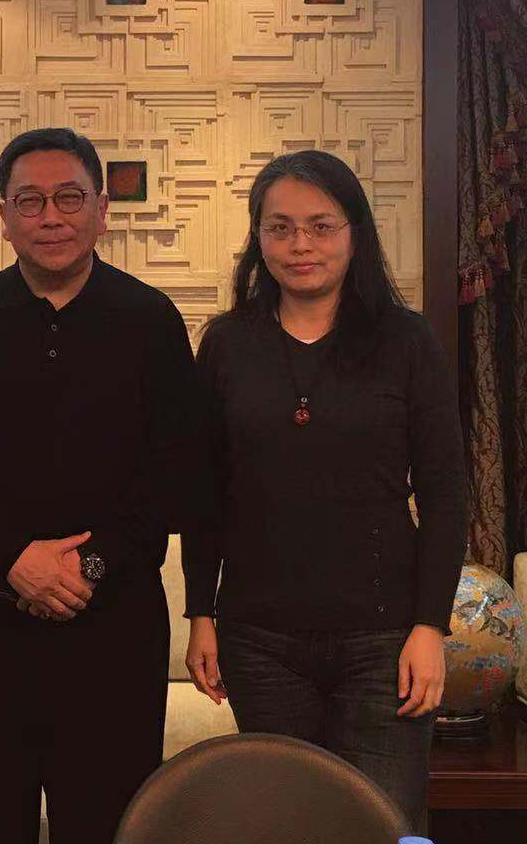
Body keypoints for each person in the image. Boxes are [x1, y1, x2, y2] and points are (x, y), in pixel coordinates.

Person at [0, 127, 209, 844]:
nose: (51, 217)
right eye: (30, 201)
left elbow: (173, 471)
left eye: (69, 198)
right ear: (4, 217)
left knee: (108, 825)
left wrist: (88, 566)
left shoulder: (151, 320)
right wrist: (15, 557)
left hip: (114, 630)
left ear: (102, 210)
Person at [181, 149, 468, 831]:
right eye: (280, 228)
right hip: (260, 640)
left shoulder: (406, 341)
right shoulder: (227, 344)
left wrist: (429, 626)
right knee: (287, 826)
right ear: (258, 238)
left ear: (354, 232)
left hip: (384, 638)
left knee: (387, 826)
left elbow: (446, 494)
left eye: (320, 225)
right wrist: (200, 614)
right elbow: (204, 492)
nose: (300, 245)